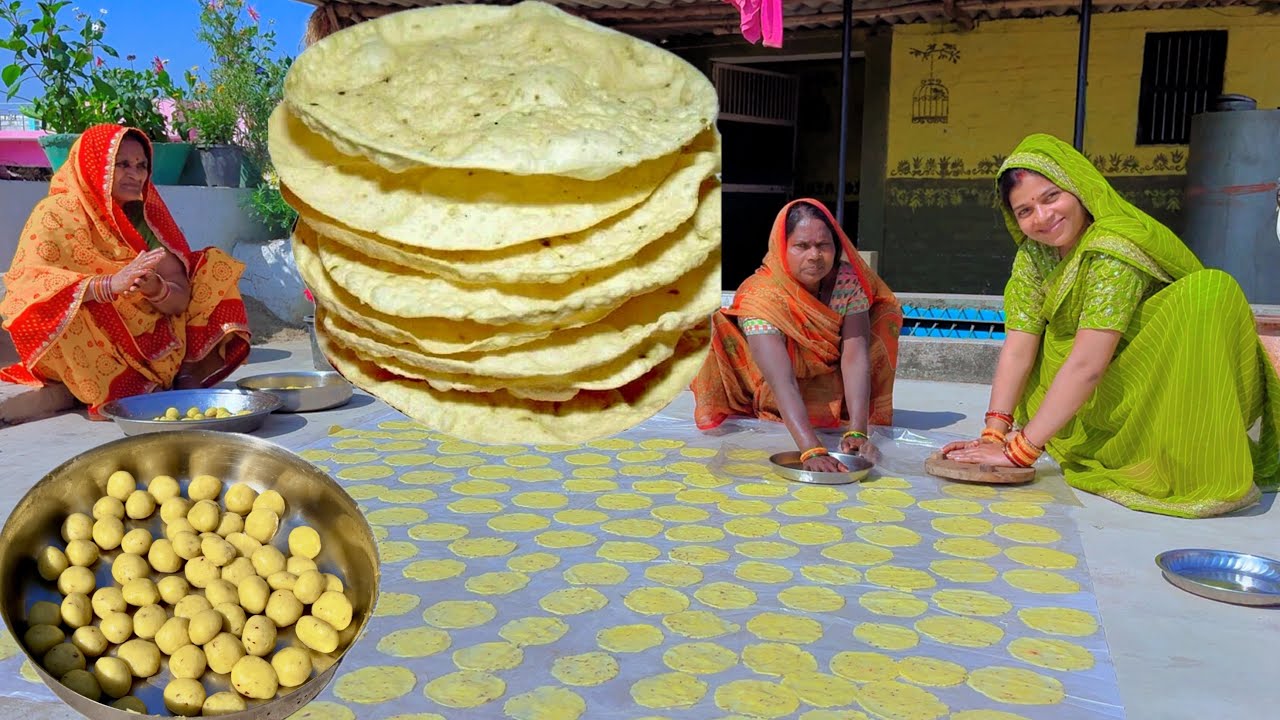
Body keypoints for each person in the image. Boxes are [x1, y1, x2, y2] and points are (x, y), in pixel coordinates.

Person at [944, 133, 1279, 518]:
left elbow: (1089, 363)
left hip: (1135, 391)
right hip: (1072, 402)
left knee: (1210, 291)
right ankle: (1056, 432)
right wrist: (993, 433)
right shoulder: (1033, 257)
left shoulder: (1112, 245)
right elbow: (1019, 348)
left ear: (1079, 189)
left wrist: (1021, 452)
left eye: (1052, 197)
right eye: (1025, 211)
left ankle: (1173, 450)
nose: (1043, 217)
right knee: (1050, 340)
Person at [0, 124, 252, 418]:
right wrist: (109, 285)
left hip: (151, 338)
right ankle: (120, 389)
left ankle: (182, 373)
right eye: (122, 164)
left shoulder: (146, 216)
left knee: (214, 266)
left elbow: (181, 299)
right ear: (95, 165)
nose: (136, 174)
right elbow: (30, 286)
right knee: (65, 308)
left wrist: (156, 289)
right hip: (84, 340)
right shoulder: (56, 213)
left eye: (142, 165)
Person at [692, 198, 901, 472]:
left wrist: (858, 432)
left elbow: (854, 355)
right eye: (801, 246)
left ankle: (843, 413)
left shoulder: (847, 282)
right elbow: (782, 381)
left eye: (823, 245)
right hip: (767, 384)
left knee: (884, 320)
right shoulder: (761, 296)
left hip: (826, 377)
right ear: (782, 248)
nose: (814, 255)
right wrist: (811, 448)